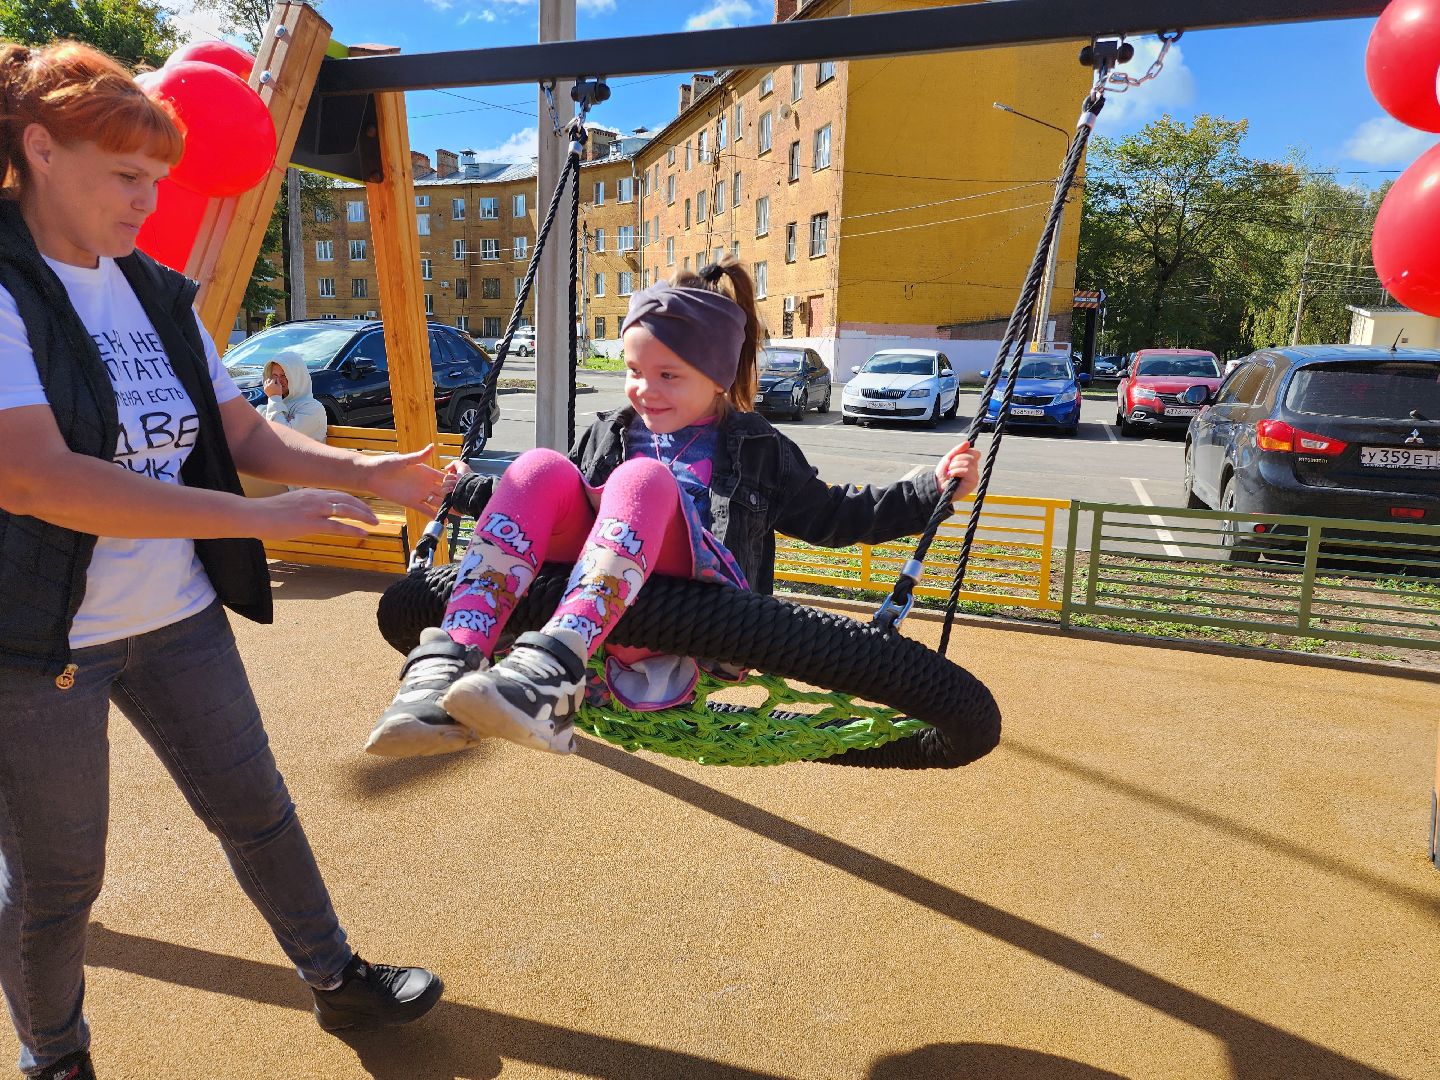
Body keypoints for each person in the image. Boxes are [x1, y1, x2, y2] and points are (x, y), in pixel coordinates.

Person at [0, 42, 450, 1080]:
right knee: (60, 878)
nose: (145, 203)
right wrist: (254, 519)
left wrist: (365, 471)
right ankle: (54, 1055)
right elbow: (34, 477)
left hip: (174, 612)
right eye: (127, 177)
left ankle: (337, 977)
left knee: (256, 809)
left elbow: (242, 432)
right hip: (40, 635)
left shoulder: (156, 292)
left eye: (157, 182)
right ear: (40, 149)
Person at [366, 257, 981, 760]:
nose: (644, 390)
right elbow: (561, 511)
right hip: (604, 615)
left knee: (645, 481)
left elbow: (833, 516)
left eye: (668, 375)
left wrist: (928, 490)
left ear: (717, 376)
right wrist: (468, 488)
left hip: (698, 620)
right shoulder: (611, 430)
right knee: (537, 469)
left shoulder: (757, 448)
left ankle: (553, 672)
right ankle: (446, 662)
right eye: (634, 371)